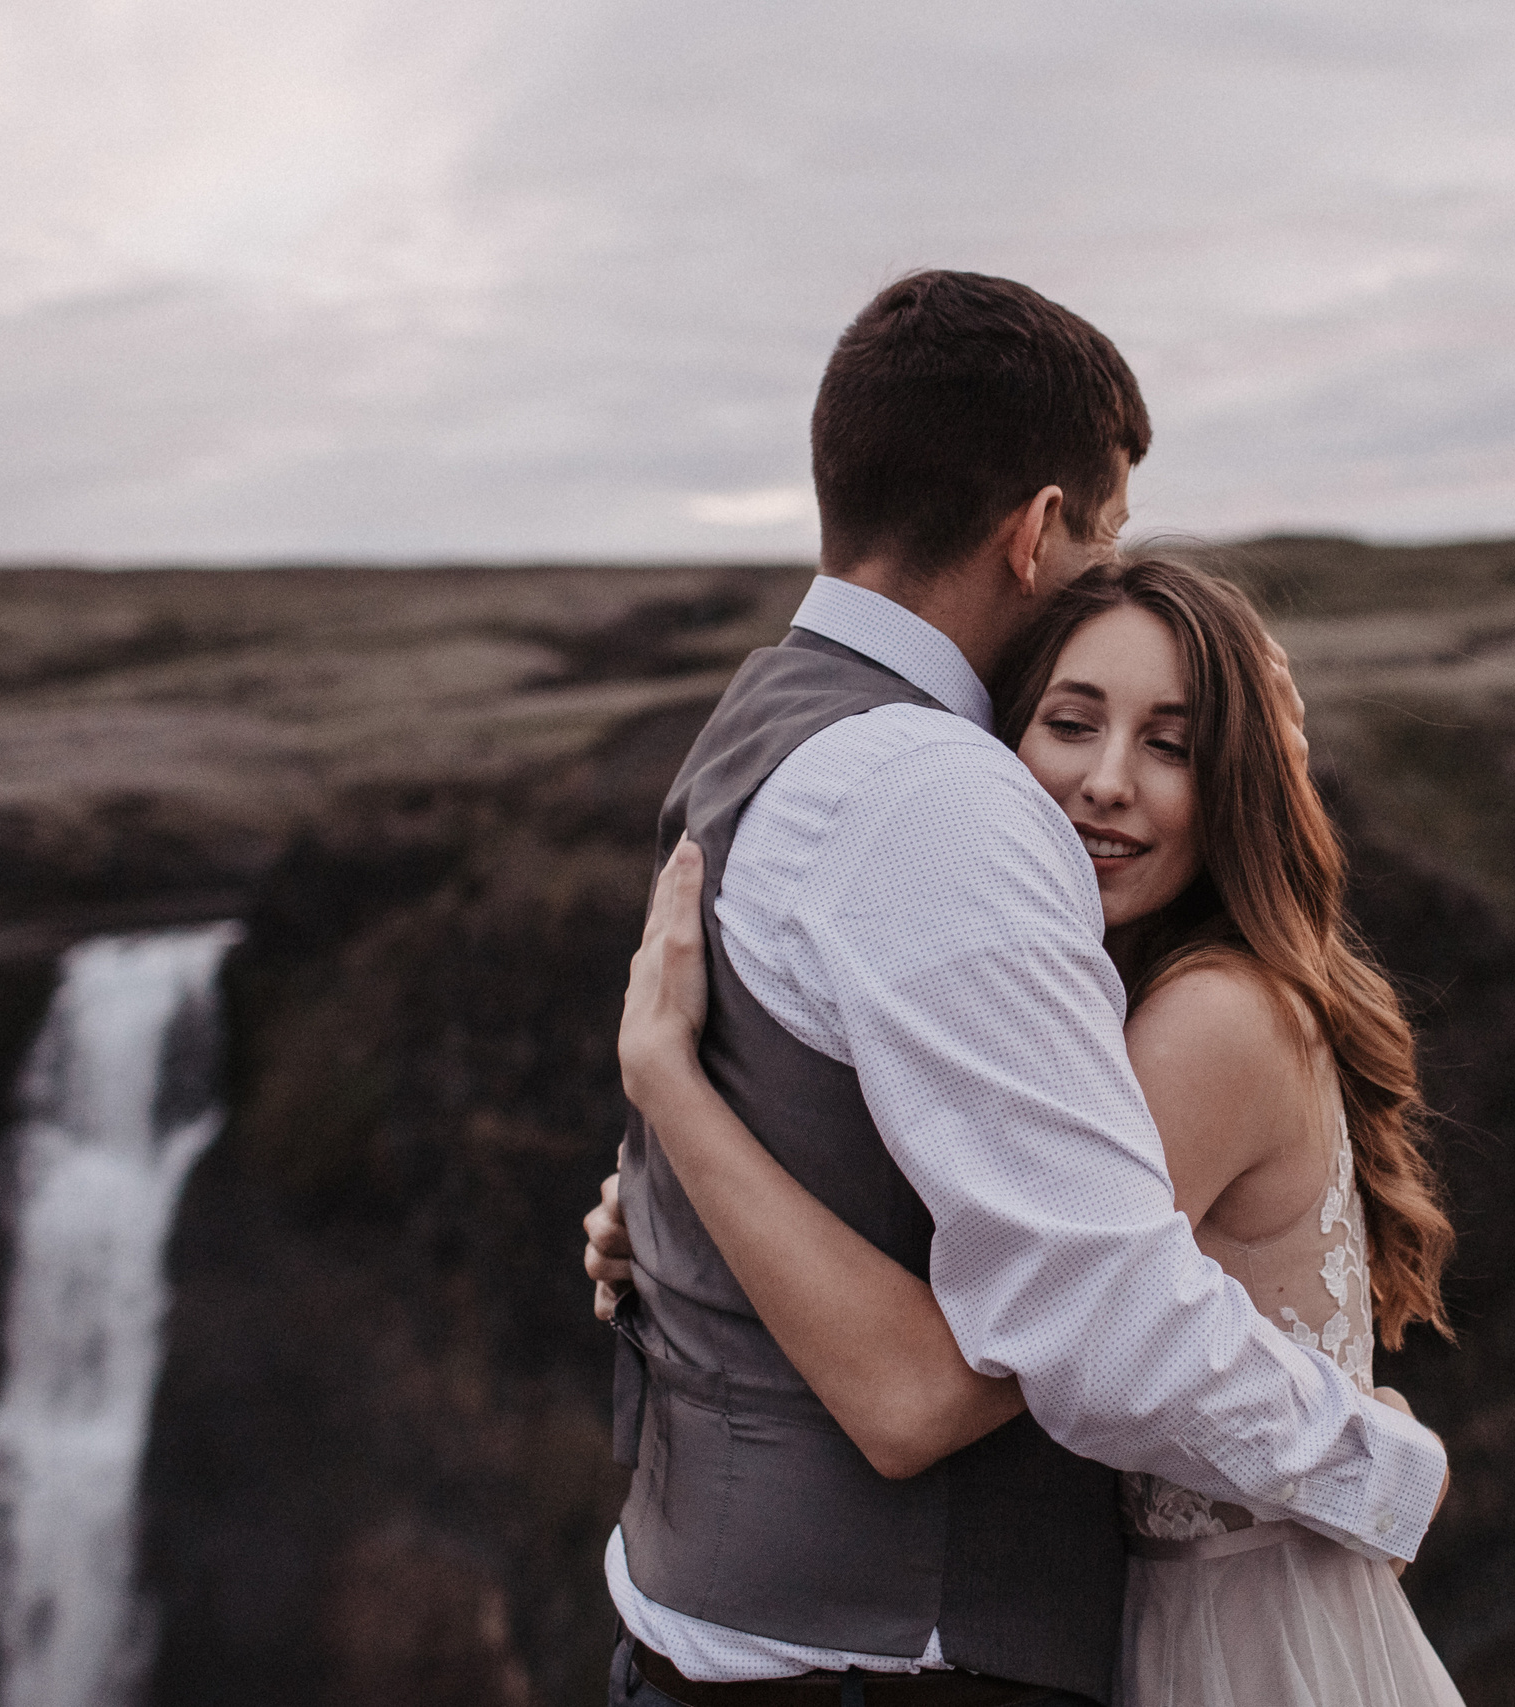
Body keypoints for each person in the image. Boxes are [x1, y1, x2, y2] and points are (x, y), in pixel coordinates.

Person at [588, 269, 1449, 1707]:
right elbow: (1079, 1312)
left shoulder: (749, 731)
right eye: (1073, 718)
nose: (1104, 781)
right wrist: (1388, 1469)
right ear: (1040, 530)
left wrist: (674, 1123)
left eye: (1174, 741)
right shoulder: (938, 794)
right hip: (876, 1672)